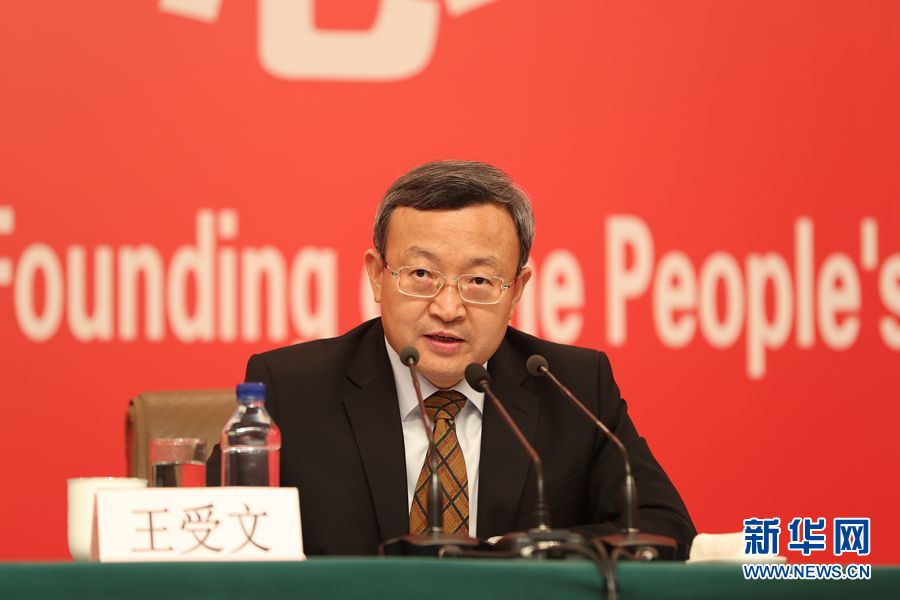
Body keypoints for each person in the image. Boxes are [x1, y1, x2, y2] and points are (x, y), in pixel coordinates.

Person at [218, 160, 696, 557]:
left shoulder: (571, 386)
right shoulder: (292, 390)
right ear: (378, 275)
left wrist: (510, 555)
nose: (448, 308)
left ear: (517, 291)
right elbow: (214, 541)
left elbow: (666, 529)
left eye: (479, 281)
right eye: (421, 274)